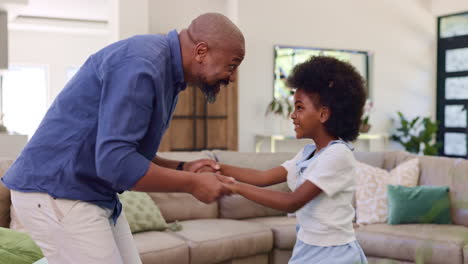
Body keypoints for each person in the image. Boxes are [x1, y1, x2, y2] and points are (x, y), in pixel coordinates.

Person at [1, 13, 244, 264]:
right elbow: (116, 163)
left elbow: (130, 154)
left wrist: (184, 168)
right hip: (57, 190)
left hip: (88, 193)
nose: (233, 77)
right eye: (233, 64)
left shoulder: (166, 72)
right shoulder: (143, 64)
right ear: (201, 51)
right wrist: (192, 183)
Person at [217, 56, 368, 264]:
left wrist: (236, 188)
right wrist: (218, 167)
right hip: (307, 248)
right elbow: (262, 177)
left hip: (334, 254)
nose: (292, 116)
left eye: (299, 108)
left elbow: (292, 202)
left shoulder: (338, 155)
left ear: (323, 114)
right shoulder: (308, 153)